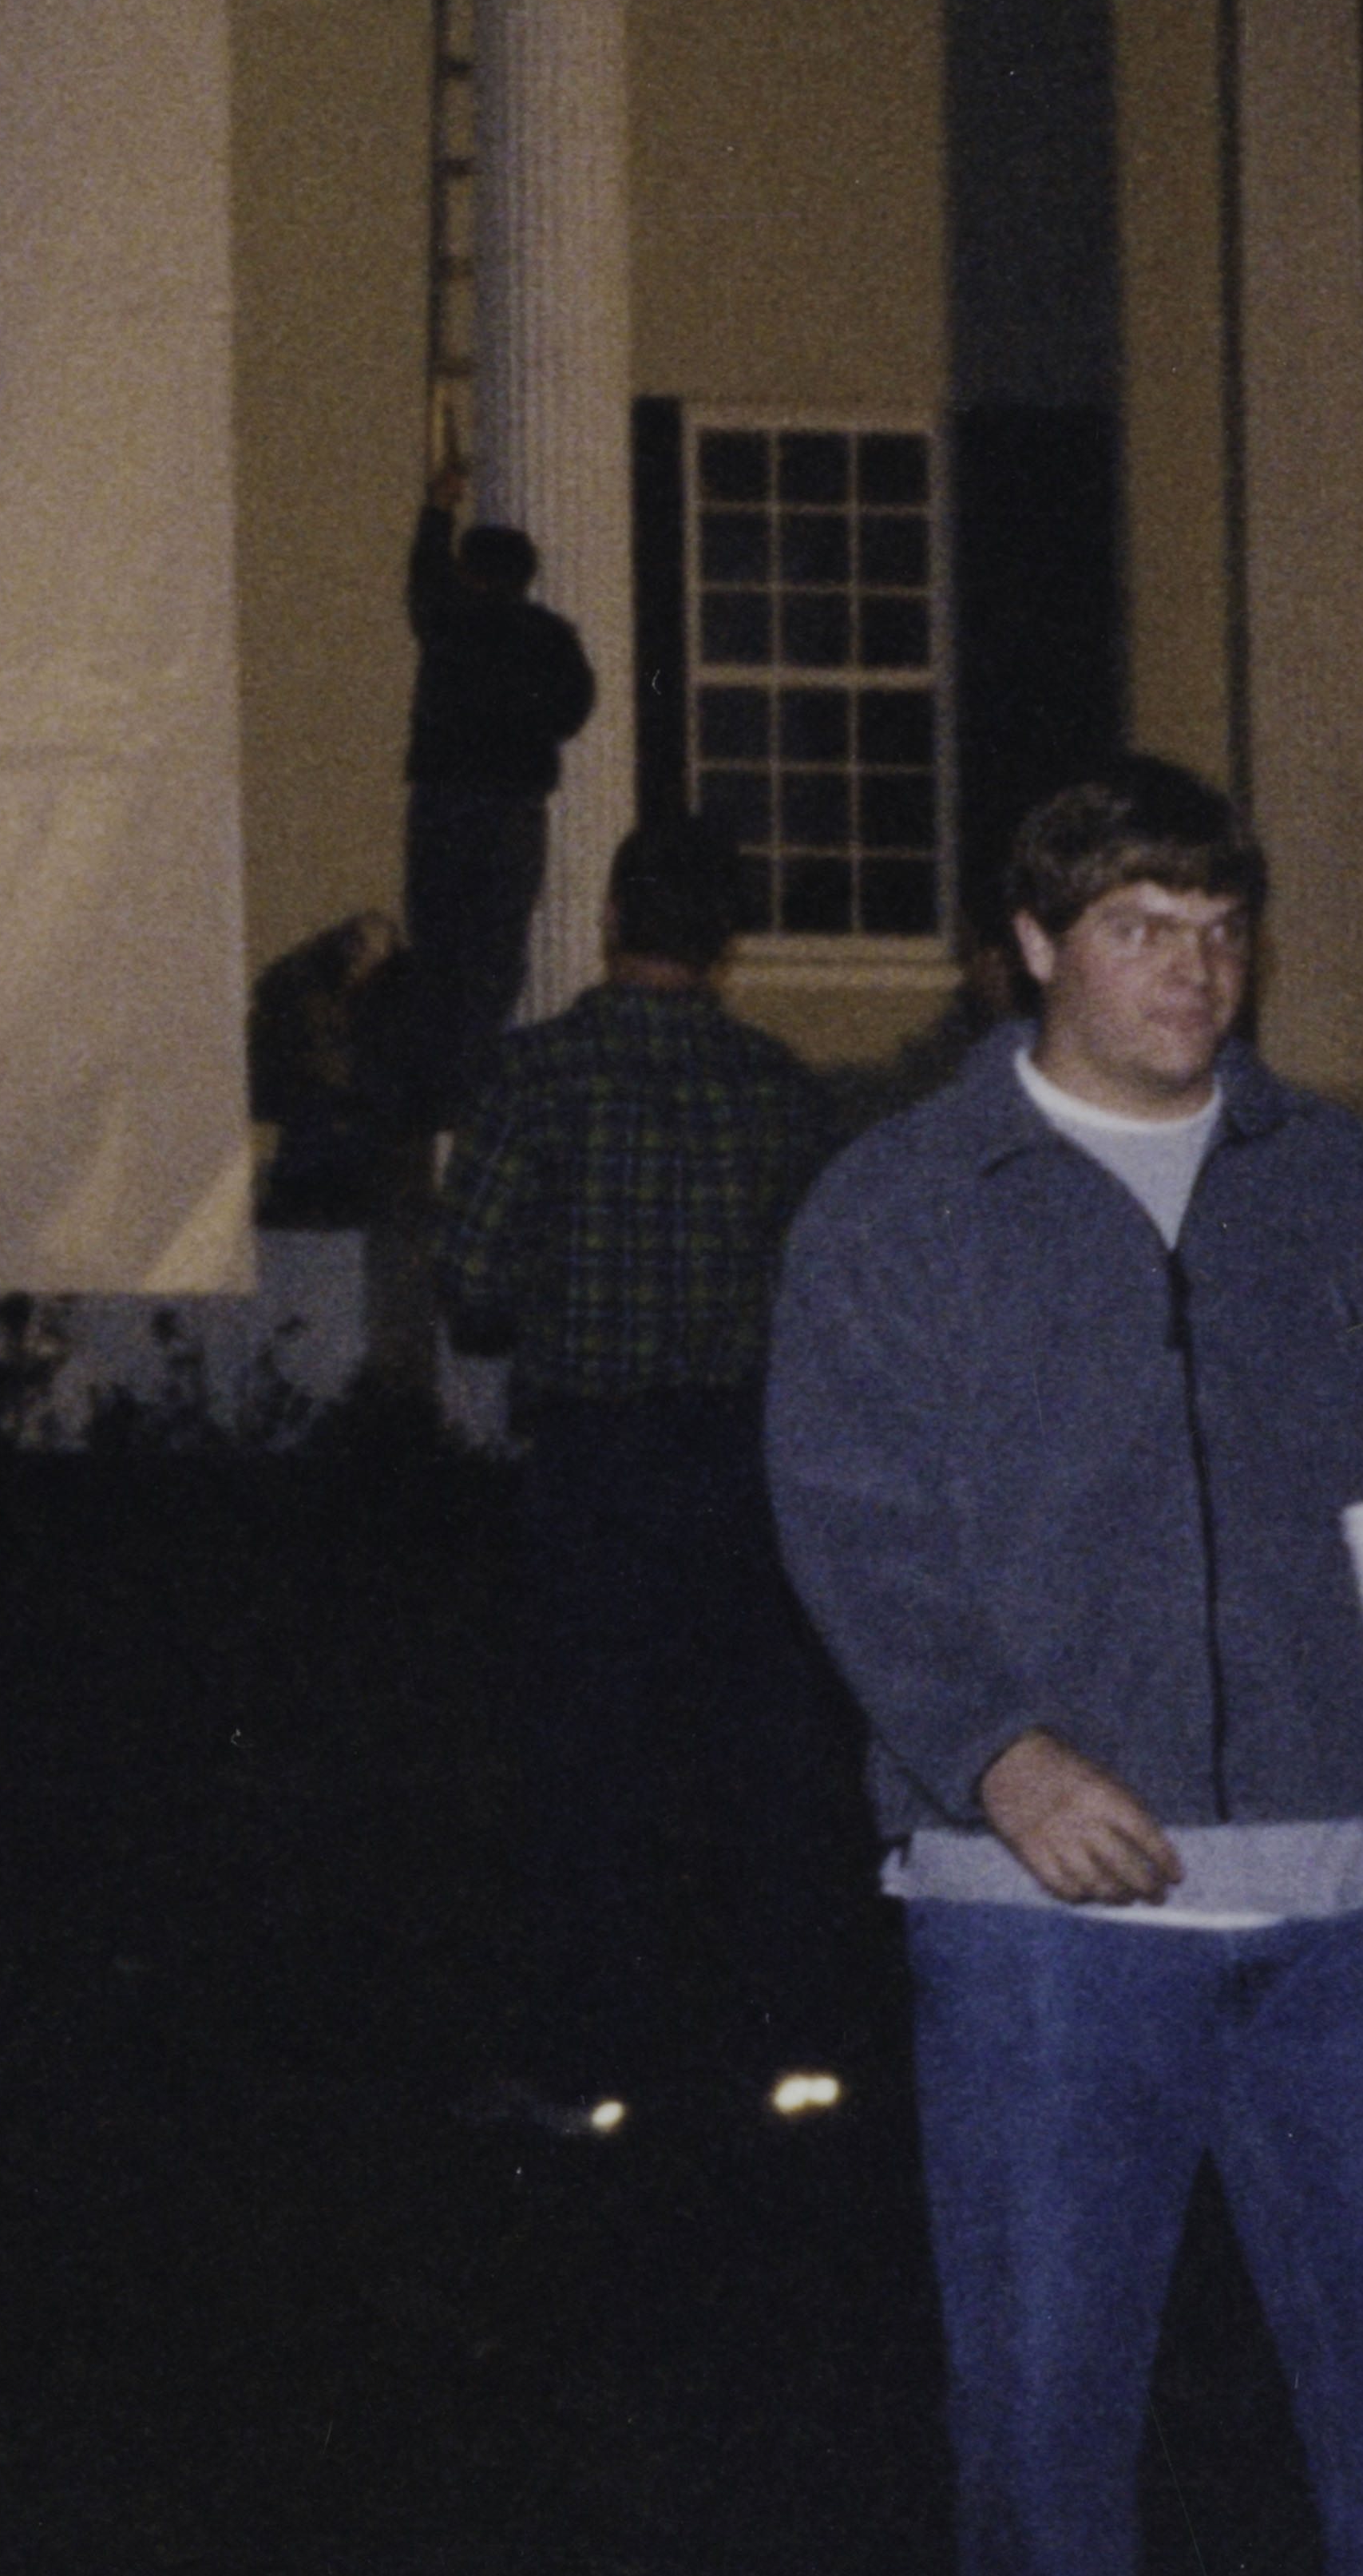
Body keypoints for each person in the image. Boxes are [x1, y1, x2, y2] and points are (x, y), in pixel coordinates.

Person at [763, 756, 1363, 2576]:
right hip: (1048, 1925)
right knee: (1045, 2436)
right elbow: (844, 1509)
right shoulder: (901, 1207)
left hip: (1358, 1919)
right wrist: (998, 1753)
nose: (1191, 971)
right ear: (1033, 943)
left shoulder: (1348, 1193)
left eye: (1218, 930)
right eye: (1138, 927)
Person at [431, 816, 869, 2142]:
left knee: (588, 1769)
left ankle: (582, 2072)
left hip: (600, 1461)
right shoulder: (775, 1087)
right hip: (740, 1460)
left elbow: (468, 1284)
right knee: (764, 1771)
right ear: (725, 935)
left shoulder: (541, 1073)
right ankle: (786, 2056)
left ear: (615, 915)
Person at [400, 457, 596, 1123]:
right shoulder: (549, 636)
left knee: (440, 946)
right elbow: (575, 708)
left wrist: (437, 509)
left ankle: (439, 1092)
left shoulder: (451, 622)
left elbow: (423, 586)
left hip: (446, 801)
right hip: (514, 807)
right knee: (496, 952)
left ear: (471, 572)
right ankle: (477, 1082)